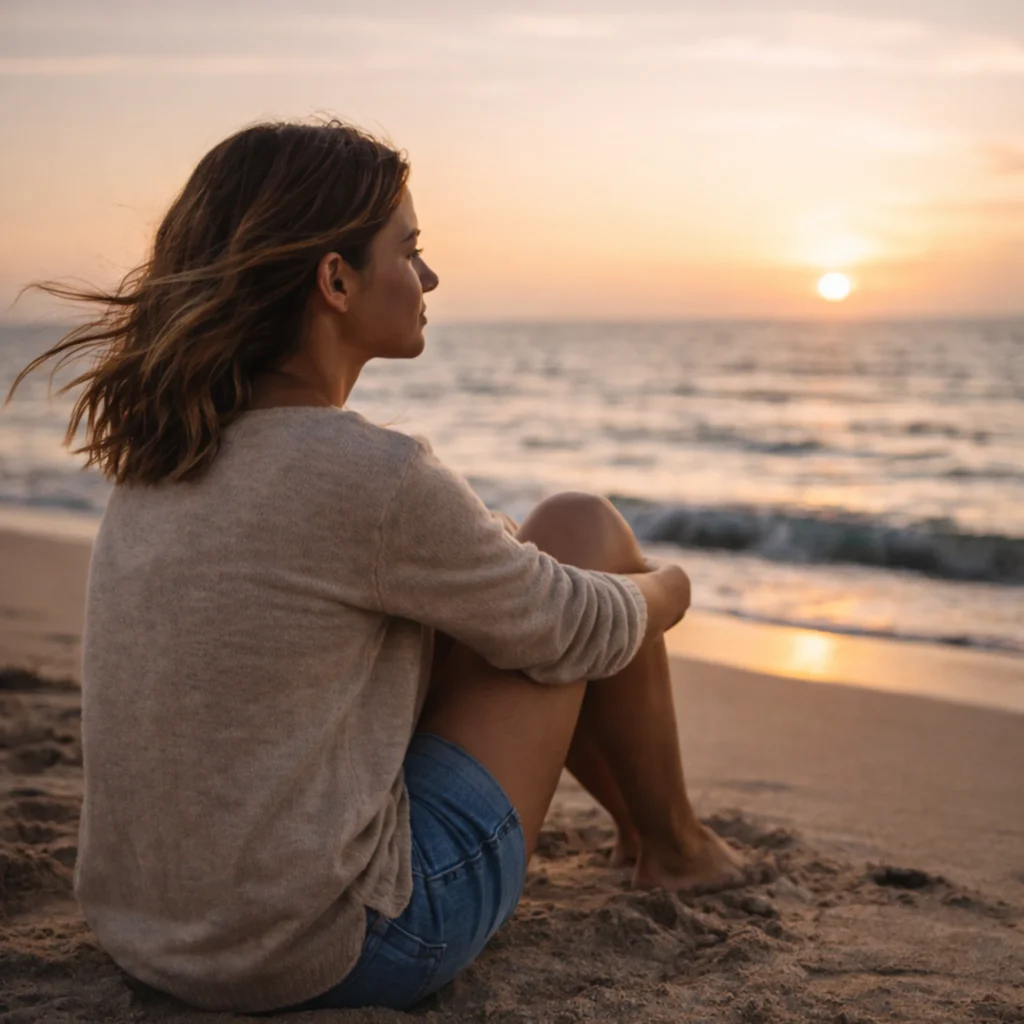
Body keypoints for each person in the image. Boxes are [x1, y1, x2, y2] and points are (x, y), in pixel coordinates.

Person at [7, 119, 745, 1016]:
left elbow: (452, 579)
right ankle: (675, 847)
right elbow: (571, 628)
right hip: (339, 949)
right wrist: (673, 588)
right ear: (336, 280)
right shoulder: (369, 475)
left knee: (519, 565)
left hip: (149, 939)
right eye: (411, 250)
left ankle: (654, 838)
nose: (428, 278)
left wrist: (498, 562)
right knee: (582, 533)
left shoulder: (161, 462)